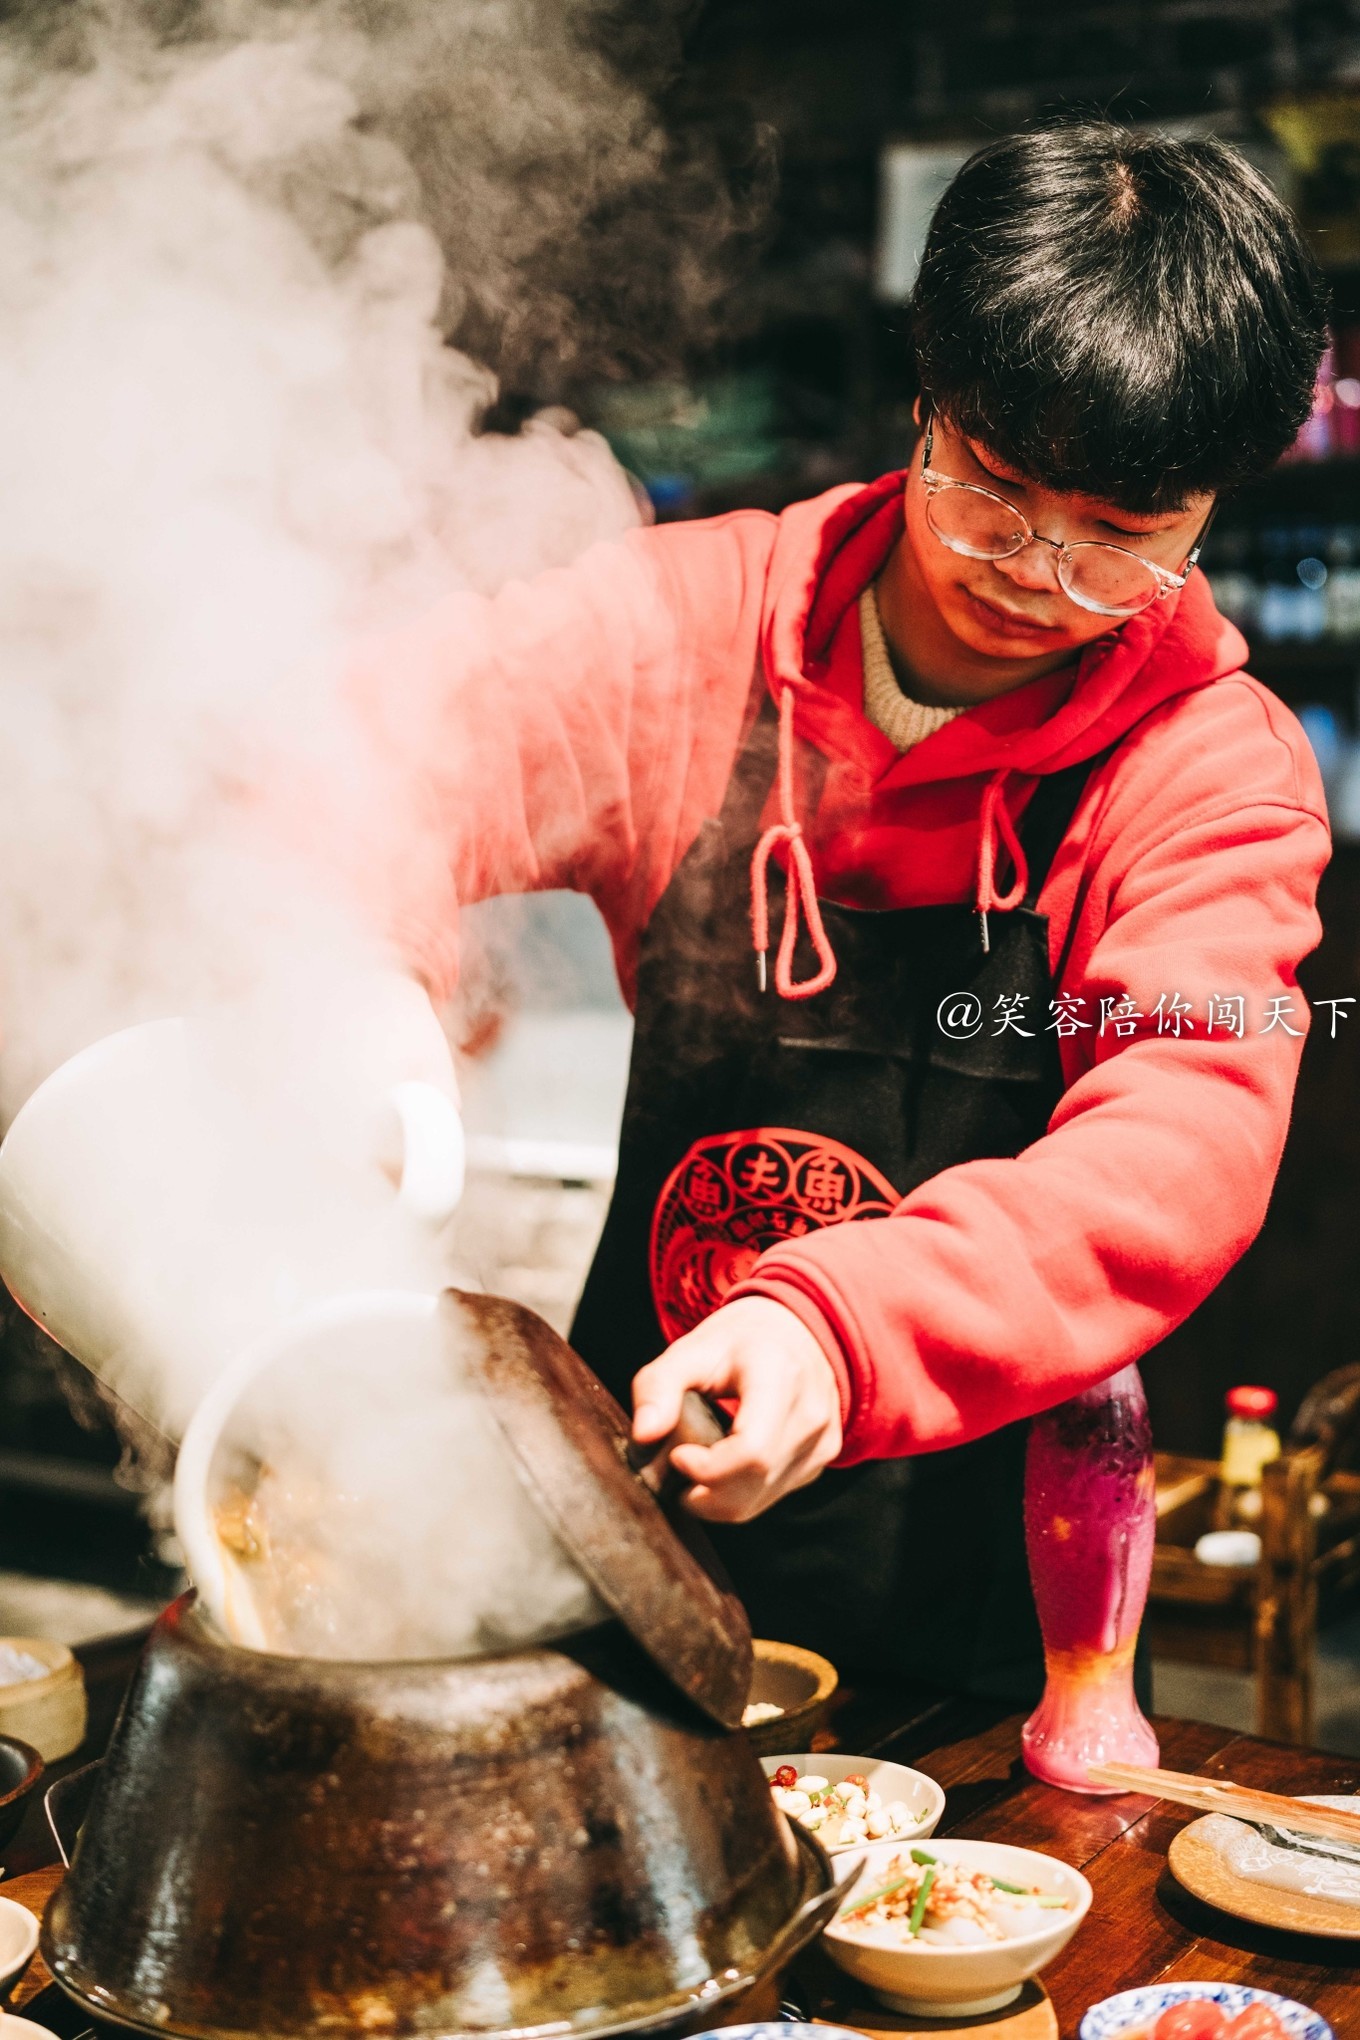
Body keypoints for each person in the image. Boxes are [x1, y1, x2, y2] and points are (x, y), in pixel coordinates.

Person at [348, 123, 1331, 1699]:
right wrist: (364, 974)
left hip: (996, 1631)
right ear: (923, 400)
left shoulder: (1212, 768)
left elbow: (1179, 1142)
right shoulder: (696, 627)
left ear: (1206, 512)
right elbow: (363, 759)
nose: (1040, 575)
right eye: (994, 493)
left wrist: (839, 1327)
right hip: (625, 1554)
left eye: (1121, 539)